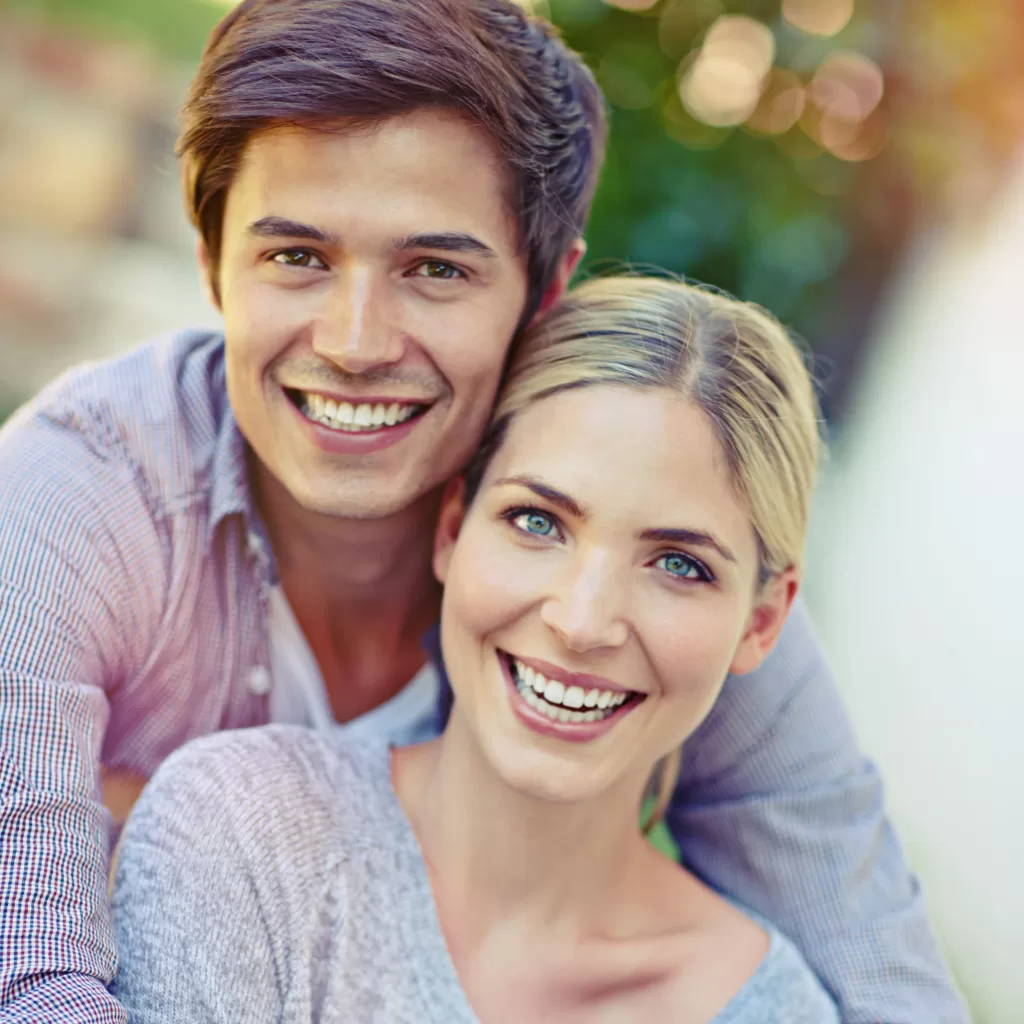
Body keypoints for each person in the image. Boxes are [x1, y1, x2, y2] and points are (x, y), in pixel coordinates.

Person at [0, 1, 965, 1022]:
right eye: (296, 257)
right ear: (213, 266)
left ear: (547, 287)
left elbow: (872, 964)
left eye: (435, 269)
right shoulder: (75, 503)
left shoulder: (648, 571)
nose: (356, 340)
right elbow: (26, 980)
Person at [109, 276, 837, 1021]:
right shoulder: (242, 840)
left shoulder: (776, 1010)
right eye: (537, 522)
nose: (583, 622)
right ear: (453, 528)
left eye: (679, 565)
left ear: (762, 623)